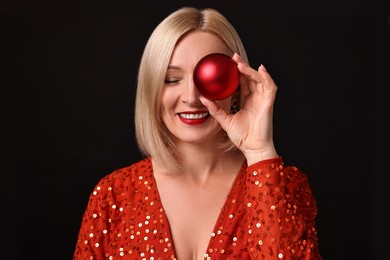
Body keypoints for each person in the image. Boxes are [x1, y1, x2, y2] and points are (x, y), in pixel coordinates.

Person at [73, 6, 322, 260]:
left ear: (236, 86)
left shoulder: (282, 186)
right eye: (172, 79)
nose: (192, 98)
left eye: (209, 78)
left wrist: (259, 152)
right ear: (152, 90)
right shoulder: (113, 196)